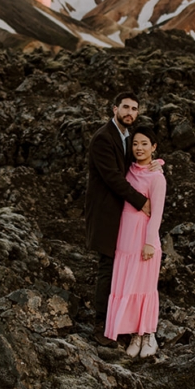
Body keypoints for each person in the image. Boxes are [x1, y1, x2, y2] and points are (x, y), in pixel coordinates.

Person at [84, 91, 151, 344]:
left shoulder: (129, 137)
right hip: (105, 212)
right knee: (107, 265)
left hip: (123, 212)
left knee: (120, 266)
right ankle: (100, 325)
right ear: (114, 109)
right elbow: (113, 177)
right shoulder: (103, 138)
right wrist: (142, 201)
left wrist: (154, 165)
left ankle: (118, 320)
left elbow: (135, 165)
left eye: (134, 109)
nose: (130, 113)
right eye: (125, 107)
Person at [105, 124, 166, 358]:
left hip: (144, 238)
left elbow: (157, 212)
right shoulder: (128, 170)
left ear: (154, 147)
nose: (139, 148)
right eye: (135, 143)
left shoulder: (157, 178)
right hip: (125, 238)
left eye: (144, 144)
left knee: (145, 286)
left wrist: (150, 242)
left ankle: (148, 333)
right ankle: (135, 334)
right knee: (127, 285)